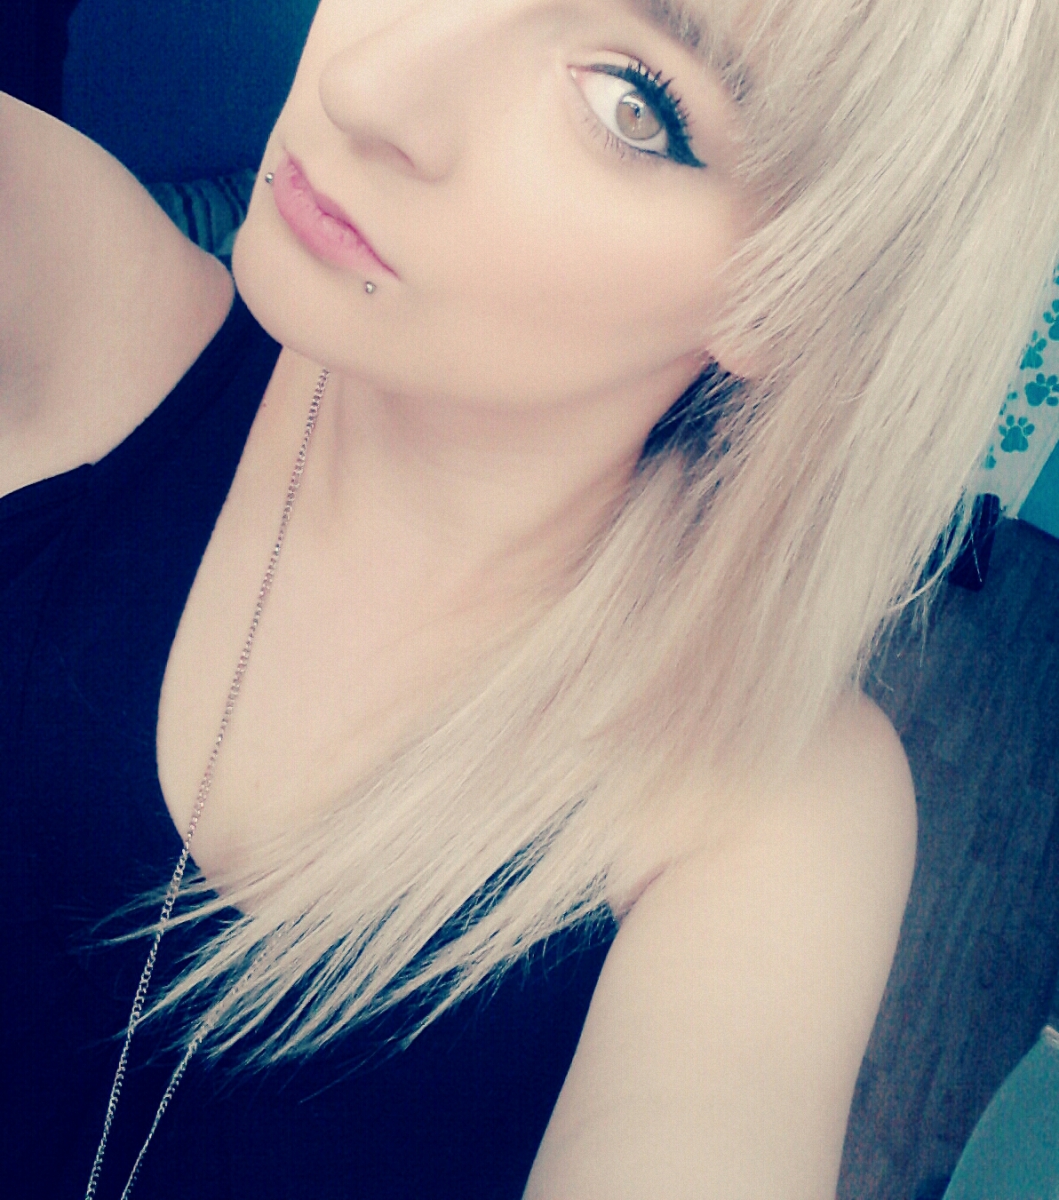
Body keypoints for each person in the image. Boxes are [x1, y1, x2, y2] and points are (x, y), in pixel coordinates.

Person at [2, 1, 1057, 1197]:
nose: (368, 85)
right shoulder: (68, 303)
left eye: (630, 102)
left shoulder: (762, 812)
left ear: (785, 294)